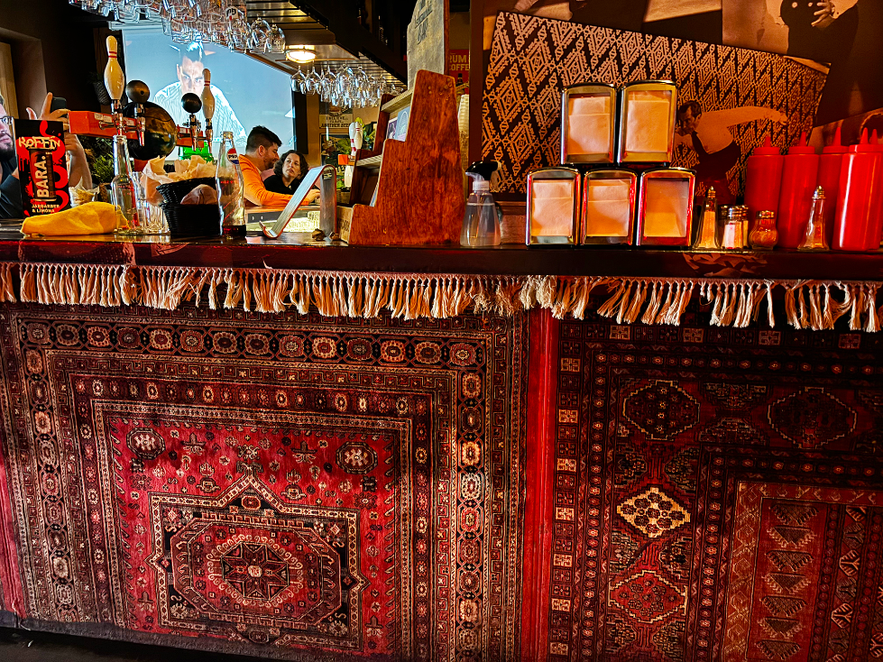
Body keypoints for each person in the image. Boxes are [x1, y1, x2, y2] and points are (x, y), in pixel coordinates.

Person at [0, 92, 92, 219]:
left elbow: (78, 201)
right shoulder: (23, 162)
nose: (3, 128)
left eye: (3, 120)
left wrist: (77, 153)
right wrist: (35, 146)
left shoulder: (12, 161)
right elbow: (4, 213)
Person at [674, 100, 787, 203]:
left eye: (688, 121)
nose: (684, 126)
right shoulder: (682, 133)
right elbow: (668, 147)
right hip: (709, 160)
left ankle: (691, 202)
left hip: (727, 154)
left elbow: (744, 113)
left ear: (698, 117)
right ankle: (722, 200)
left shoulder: (713, 119)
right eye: (681, 121)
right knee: (707, 177)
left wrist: (776, 116)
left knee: (696, 173)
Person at [152, 42, 247, 146]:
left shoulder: (217, 101)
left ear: (206, 76)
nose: (191, 86)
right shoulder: (163, 101)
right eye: (186, 77)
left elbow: (241, 141)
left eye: (198, 80)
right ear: (178, 71)